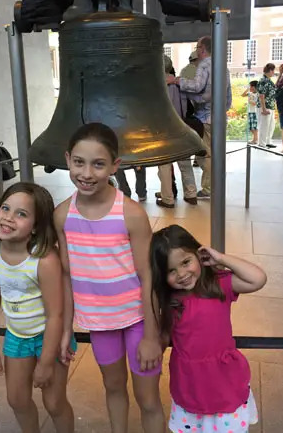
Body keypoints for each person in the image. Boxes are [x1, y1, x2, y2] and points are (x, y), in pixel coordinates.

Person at [54, 122, 165, 433]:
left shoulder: (130, 213)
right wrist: (66, 331)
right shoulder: (63, 215)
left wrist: (152, 335)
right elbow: (66, 276)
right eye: (79, 162)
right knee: (113, 389)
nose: (87, 173)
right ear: (68, 159)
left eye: (98, 164)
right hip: (100, 324)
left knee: (148, 398)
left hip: (138, 321)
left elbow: (148, 276)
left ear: (115, 165)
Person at [150, 224, 267, 433]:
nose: (182, 274)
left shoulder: (218, 285)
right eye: (171, 270)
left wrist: (221, 258)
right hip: (189, 385)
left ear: (199, 255)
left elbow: (257, 279)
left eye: (186, 262)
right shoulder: (169, 301)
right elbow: (162, 337)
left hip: (225, 383)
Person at [0, 182, 75, 433]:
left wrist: (45, 362)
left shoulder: (44, 260)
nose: (9, 217)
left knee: (54, 403)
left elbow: (56, 314)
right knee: (17, 399)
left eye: (21, 214)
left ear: (35, 227)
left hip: (49, 338)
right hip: (17, 337)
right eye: (6, 208)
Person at [171, 36, 232, 199]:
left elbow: (197, 87)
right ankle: (213, 187)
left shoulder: (204, 64)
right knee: (215, 153)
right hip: (219, 118)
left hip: (205, 118)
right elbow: (228, 98)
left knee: (205, 154)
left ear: (202, 49)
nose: (196, 50)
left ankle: (210, 188)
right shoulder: (223, 66)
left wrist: (177, 81)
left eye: (197, 47)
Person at [157, 55, 198, 207]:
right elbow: (189, 104)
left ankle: (168, 198)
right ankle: (191, 193)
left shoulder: (155, 84)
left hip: (163, 128)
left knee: (164, 165)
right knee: (185, 162)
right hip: (181, 126)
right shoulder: (180, 82)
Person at [257, 63, 277, 148]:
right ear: (270, 71)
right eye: (273, 70)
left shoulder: (268, 80)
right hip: (264, 106)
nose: (274, 72)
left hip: (270, 105)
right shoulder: (263, 81)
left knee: (270, 125)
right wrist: (264, 109)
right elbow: (262, 96)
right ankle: (262, 143)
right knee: (264, 125)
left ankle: (268, 141)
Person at [241, 80, 258, 144]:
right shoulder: (250, 93)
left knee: (254, 127)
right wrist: (247, 89)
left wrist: (250, 101)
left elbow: (255, 103)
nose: (250, 88)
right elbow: (242, 95)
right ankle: (255, 139)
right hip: (250, 112)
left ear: (254, 87)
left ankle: (255, 140)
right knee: (251, 127)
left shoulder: (258, 94)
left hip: (255, 112)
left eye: (250, 86)